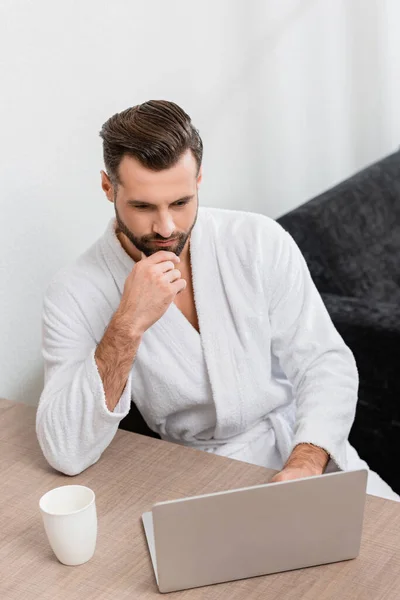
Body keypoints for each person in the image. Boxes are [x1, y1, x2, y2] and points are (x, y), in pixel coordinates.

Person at [36, 100, 398, 501]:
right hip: (200, 475)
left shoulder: (257, 240)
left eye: (180, 202)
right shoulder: (74, 291)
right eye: (142, 206)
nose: (166, 227)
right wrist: (127, 325)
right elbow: (65, 450)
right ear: (108, 188)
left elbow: (323, 361)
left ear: (199, 180)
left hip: (306, 446)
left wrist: (307, 461)